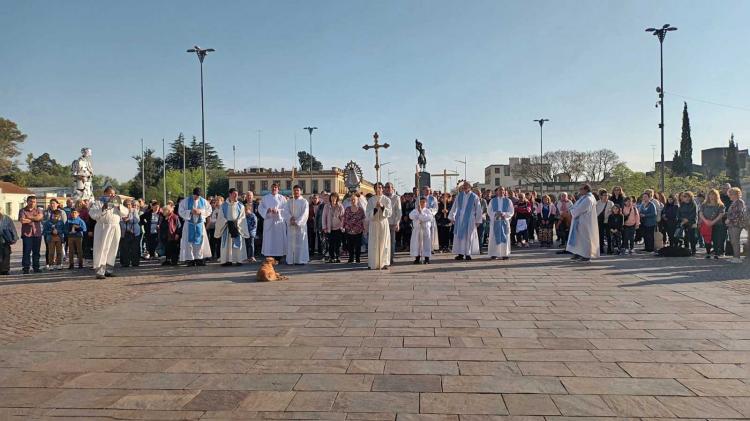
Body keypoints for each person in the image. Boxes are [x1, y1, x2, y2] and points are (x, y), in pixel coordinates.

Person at [89, 187, 128, 278]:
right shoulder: (98, 202)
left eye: (113, 194)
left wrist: (119, 207)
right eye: (110, 193)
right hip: (103, 228)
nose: (112, 195)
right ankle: (100, 271)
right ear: (105, 193)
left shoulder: (117, 203)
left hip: (115, 227)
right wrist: (103, 208)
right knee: (102, 249)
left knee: (113, 249)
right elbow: (92, 215)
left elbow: (126, 213)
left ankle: (109, 270)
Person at [214, 188, 250, 266]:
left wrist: (237, 222)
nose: (236, 196)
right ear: (230, 194)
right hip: (226, 227)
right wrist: (226, 221)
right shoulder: (223, 206)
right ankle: (227, 260)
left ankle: (238, 260)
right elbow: (220, 217)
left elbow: (242, 217)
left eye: (237, 194)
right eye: (234, 194)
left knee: (237, 243)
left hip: (237, 227)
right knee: (227, 244)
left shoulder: (240, 205)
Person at [178, 187, 213, 266]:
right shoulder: (185, 201)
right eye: (196, 195)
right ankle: (190, 259)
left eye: (198, 196)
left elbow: (209, 210)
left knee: (200, 242)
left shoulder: (203, 201)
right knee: (189, 243)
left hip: (199, 224)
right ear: (193, 194)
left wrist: (200, 212)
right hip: (189, 224)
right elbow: (180, 211)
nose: (197, 197)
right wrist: (190, 211)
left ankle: (199, 258)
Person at [449, 181, 483, 261]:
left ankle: (468, 253)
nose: (464, 187)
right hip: (460, 218)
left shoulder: (474, 196)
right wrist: (452, 216)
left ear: (470, 187)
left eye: (466, 185)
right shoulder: (459, 196)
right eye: (464, 185)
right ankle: (460, 253)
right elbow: (454, 206)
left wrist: (478, 220)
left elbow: (478, 209)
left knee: (468, 236)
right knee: (460, 236)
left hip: (470, 219)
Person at [566, 184, 599, 262]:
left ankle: (586, 255)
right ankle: (578, 253)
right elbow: (575, 206)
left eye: (581, 189)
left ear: (586, 189)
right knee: (578, 239)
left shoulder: (588, 199)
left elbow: (580, 209)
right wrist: (571, 209)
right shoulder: (583, 198)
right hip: (579, 221)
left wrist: (571, 212)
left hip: (585, 222)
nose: (579, 190)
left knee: (585, 239)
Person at [258, 183, 288, 261]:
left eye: (276, 187)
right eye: (273, 187)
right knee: (269, 239)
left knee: (279, 239)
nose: (274, 189)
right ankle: (269, 255)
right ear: (270, 188)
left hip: (279, 222)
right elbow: (260, 208)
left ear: (278, 189)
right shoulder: (265, 198)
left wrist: (278, 211)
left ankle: (279, 256)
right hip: (269, 221)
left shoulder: (282, 198)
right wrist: (267, 210)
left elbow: (286, 209)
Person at [366, 182, 392, 270]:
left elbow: (389, 213)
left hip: (383, 223)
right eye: (376, 188)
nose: (378, 189)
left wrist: (382, 207)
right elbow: (368, 214)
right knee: (374, 243)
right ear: (374, 189)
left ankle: (384, 263)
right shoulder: (371, 200)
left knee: (384, 243)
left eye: (380, 187)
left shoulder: (387, 200)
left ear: (382, 189)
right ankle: (373, 263)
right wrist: (375, 209)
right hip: (374, 224)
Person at [284, 185, 309, 265]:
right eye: (294, 190)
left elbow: (305, 213)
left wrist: (298, 221)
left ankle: (301, 259)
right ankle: (291, 259)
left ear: (301, 191)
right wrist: (290, 218)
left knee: (300, 242)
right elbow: (285, 211)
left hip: (300, 226)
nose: (296, 192)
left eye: (297, 190)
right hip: (291, 226)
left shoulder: (304, 201)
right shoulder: (290, 201)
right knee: (291, 243)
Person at [19, 196, 44, 274]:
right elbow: (22, 221)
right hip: (27, 234)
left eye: (34, 201)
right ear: (27, 201)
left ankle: (36, 267)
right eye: (31, 201)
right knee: (26, 252)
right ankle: (26, 268)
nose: (32, 203)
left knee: (36, 252)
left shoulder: (39, 210)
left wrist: (29, 218)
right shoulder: (22, 210)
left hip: (37, 234)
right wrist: (34, 218)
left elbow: (39, 218)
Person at [488, 187, 514, 260]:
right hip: (495, 221)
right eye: (500, 190)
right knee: (494, 237)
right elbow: (489, 211)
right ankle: (494, 254)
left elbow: (511, 211)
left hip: (504, 221)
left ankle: (504, 254)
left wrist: (504, 214)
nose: (501, 191)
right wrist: (495, 214)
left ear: (504, 191)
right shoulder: (492, 201)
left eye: (502, 190)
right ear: (497, 192)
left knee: (505, 237)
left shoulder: (508, 201)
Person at [699, 189, 725, 259]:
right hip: (706, 225)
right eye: (710, 194)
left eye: (713, 194)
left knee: (716, 239)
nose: (712, 196)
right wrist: (706, 221)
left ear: (717, 195)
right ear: (708, 195)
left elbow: (721, 214)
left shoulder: (720, 205)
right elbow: (700, 213)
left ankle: (716, 253)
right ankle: (708, 253)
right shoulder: (704, 204)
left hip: (717, 224)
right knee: (707, 240)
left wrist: (713, 222)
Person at [409, 197, 433, 264]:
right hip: (417, 230)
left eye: (423, 202)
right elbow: (411, 216)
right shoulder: (415, 210)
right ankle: (417, 258)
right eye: (420, 202)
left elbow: (428, 218)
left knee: (426, 244)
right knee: (417, 244)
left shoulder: (428, 211)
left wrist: (421, 213)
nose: (422, 203)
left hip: (425, 230)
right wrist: (418, 213)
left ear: (426, 203)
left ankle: (427, 258)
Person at [118, 199, 142, 268]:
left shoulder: (134, 210)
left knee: (135, 248)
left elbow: (137, 220)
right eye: (126, 204)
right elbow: (119, 221)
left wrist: (129, 219)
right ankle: (125, 263)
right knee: (125, 248)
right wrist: (125, 224)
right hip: (125, 233)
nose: (128, 206)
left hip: (135, 233)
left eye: (129, 204)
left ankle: (135, 262)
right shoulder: (120, 211)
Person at [725, 187, 746, 264]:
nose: (729, 195)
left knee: (735, 241)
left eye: (731, 194)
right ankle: (735, 256)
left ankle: (737, 257)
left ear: (736, 194)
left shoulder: (740, 202)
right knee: (733, 241)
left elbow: (739, 213)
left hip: (737, 224)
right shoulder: (734, 202)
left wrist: (729, 219)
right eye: (729, 194)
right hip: (732, 224)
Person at [322, 192, 345, 263]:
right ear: (330, 198)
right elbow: (324, 217)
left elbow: (343, 217)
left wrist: (342, 226)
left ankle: (338, 257)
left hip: (338, 228)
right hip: (329, 228)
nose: (333, 198)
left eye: (335, 197)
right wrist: (324, 227)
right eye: (332, 197)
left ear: (337, 198)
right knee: (330, 244)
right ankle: (331, 257)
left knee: (338, 244)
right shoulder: (326, 206)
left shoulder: (340, 206)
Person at [343, 193, 366, 263]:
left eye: (354, 200)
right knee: (350, 245)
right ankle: (351, 258)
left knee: (358, 245)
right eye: (352, 200)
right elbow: (345, 219)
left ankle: (358, 258)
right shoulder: (347, 209)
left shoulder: (360, 210)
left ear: (357, 200)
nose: (353, 201)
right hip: (349, 230)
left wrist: (361, 228)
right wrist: (348, 227)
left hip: (358, 231)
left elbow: (362, 219)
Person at [384, 182, 402, 264]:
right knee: (384, 242)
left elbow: (398, 211)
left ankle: (391, 258)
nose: (387, 188)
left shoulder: (396, 198)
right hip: (384, 222)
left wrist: (397, 222)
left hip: (392, 222)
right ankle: (384, 258)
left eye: (389, 187)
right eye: (386, 187)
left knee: (391, 242)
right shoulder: (382, 197)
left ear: (392, 188)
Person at [0, 206, 19, 275]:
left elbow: (12, 228)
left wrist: (14, 238)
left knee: (6, 254)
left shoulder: (7, 218)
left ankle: (5, 270)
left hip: (5, 239)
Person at [421, 186, 440, 251]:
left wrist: (430, 212)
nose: (427, 191)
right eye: (425, 190)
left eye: (428, 190)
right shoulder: (419, 198)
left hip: (430, 218)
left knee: (431, 232)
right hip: (422, 218)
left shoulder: (433, 198)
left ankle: (431, 248)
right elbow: (417, 207)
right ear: (423, 191)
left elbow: (436, 208)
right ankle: (422, 248)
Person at [596, 190, 614, 254]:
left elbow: (613, 212)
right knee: (600, 236)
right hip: (600, 222)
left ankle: (609, 249)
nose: (606, 197)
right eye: (604, 195)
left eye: (607, 195)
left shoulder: (610, 203)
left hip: (607, 222)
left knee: (608, 236)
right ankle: (601, 249)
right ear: (601, 196)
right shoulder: (597, 203)